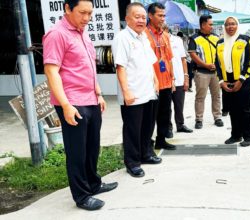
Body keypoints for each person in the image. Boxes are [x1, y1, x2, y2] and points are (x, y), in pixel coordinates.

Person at [43, 0, 117, 211]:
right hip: (72, 101)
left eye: (90, 13)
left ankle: (94, 183)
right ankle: (82, 195)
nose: (87, 18)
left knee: (92, 147)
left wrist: (99, 93)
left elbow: (89, 66)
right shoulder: (57, 34)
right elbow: (51, 71)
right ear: (67, 8)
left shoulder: (82, 32)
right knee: (77, 152)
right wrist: (65, 105)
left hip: (91, 99)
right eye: (82, 13)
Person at [112, 2, 162, 178]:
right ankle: (132, 162)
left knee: (148, 127)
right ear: (127, 19)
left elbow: (150, 63)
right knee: (133, 130)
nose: (141, 20)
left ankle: (146, 154)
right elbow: (120, 67)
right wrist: (126, 91)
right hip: (133, 94)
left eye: (143, 17)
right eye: (137, 16)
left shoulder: (143, 37)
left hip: (148, 92)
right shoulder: (122, 38)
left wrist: (155, 81)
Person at [215, 16, 250, 147]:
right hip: (227, 81)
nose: (230, 27)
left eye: (233, 24)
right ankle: (236, 135)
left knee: (244, 110)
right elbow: (217, 63)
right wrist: (221, 81)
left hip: (243, 81)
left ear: (237, 25)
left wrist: (241, 80)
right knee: (232, 109)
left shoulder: (246, 40)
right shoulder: (220, 43)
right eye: (227, 25)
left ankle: (249, 137)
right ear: (224, 27)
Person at [145, 2, 176, 150]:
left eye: (164, 15)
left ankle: (161, 139)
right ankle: (147, 144)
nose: (163, 18)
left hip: (166, 82)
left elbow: (169, 59)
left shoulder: (165, 35)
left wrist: (173, 79)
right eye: (159, 15)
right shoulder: (144, 34)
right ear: (150, 16)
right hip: (151, 83)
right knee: (150, 116)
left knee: (165, 113)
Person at [188, 15, 224, 129]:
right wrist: (205, 65)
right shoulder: (194, 38)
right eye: (210, 24)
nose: (212, 27)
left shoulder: (216, 37)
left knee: (217, 96)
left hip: (215, 73)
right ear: (203, 25)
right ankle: (199, 119)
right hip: (201, 72)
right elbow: (192, 54)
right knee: (200, 97)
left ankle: (217, 117)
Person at [162, 25, 193, 134]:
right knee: (166, 107)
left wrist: (186, 77)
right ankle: (168, 128)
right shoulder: (157, 41)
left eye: (163, 30)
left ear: (167, 30)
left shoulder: (177, 40)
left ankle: (180, 124)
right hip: (164, 80)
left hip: (179, 78)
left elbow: (183, 60)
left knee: (179, 104)